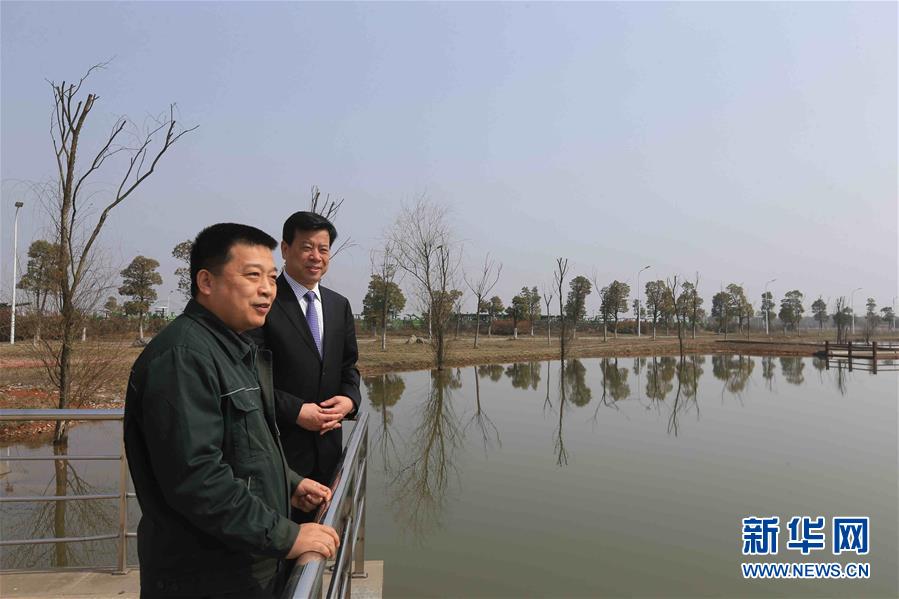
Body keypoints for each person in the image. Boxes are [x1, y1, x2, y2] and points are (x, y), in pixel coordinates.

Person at [124, 223, 339, 598]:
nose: (267, 289)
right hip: (204, 576)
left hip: (240, 564)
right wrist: (287, 535)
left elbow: (244, 446)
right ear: (206, 282)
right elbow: (198, 480)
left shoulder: (233, 350)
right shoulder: (183, 358)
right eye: (253, 276)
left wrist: (288, 483)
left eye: (271, 277)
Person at [251, 211, 361, 520]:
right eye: (307, 247)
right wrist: (297, 411)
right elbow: (248, 375)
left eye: (323, 249)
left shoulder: (339, 305)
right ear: (286, 249)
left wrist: (350, 400)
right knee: (279, 541)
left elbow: (349, 367)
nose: (316, 256)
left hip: (328, 454)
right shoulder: (264, 302)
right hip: (278, 456)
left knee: (322, 536)